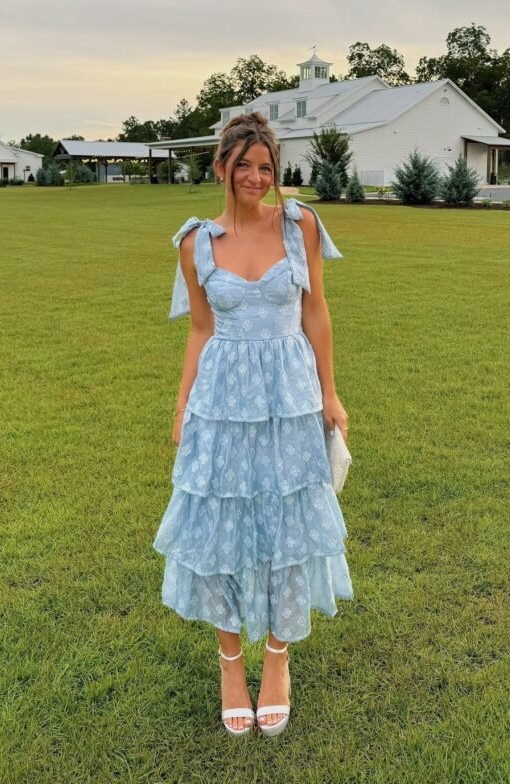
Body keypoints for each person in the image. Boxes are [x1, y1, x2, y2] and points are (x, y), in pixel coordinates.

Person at [153, 111, 353, 737]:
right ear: (222, 167)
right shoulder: (196, 242)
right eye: (245, 166)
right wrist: (184, 405)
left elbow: (317, 315)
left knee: (287, 524)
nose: (258, 178)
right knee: (224, 527)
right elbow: (200, 329)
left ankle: (278, 660)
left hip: (291, 398)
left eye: (267, 167)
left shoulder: (302, 225)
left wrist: (331, 393)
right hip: (222, 401)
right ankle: (230, 666)